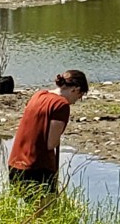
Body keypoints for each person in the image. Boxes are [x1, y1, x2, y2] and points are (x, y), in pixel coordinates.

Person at [8, 70, 89, 200]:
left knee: (26, 213)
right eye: (79, 96)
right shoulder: (61, 105)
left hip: (15, 163)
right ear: (75, 89)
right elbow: (51, 143)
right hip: (36, 168)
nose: (75, 101)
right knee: (45, 215)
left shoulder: (38, 95)